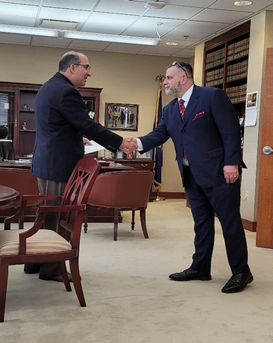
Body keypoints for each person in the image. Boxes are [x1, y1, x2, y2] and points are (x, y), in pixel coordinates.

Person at [127, 61, 253, 293]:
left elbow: (230, 130)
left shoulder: (212, 96)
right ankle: (200, 267)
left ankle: (241, 271)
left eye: (168, 77)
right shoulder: (170, 109)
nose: (164, 81)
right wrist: (137, 143)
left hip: (220, 173)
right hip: (190, 174)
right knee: (201, 223)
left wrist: (232, 163)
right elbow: (160, 134)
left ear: (183, 78)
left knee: (230, 223)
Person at [27, 51, 136, 282]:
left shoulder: (49, 86)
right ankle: (51, 268)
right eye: (86, 67)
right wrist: (120, 142)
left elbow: (58, 125)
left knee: (46, 214)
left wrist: (77, 137)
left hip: (47, 163)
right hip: (59, 166)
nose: (90, 72)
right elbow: (88, 124)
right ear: (72, 67)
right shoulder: (67, 91)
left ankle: (35, 262)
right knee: (59, 216)